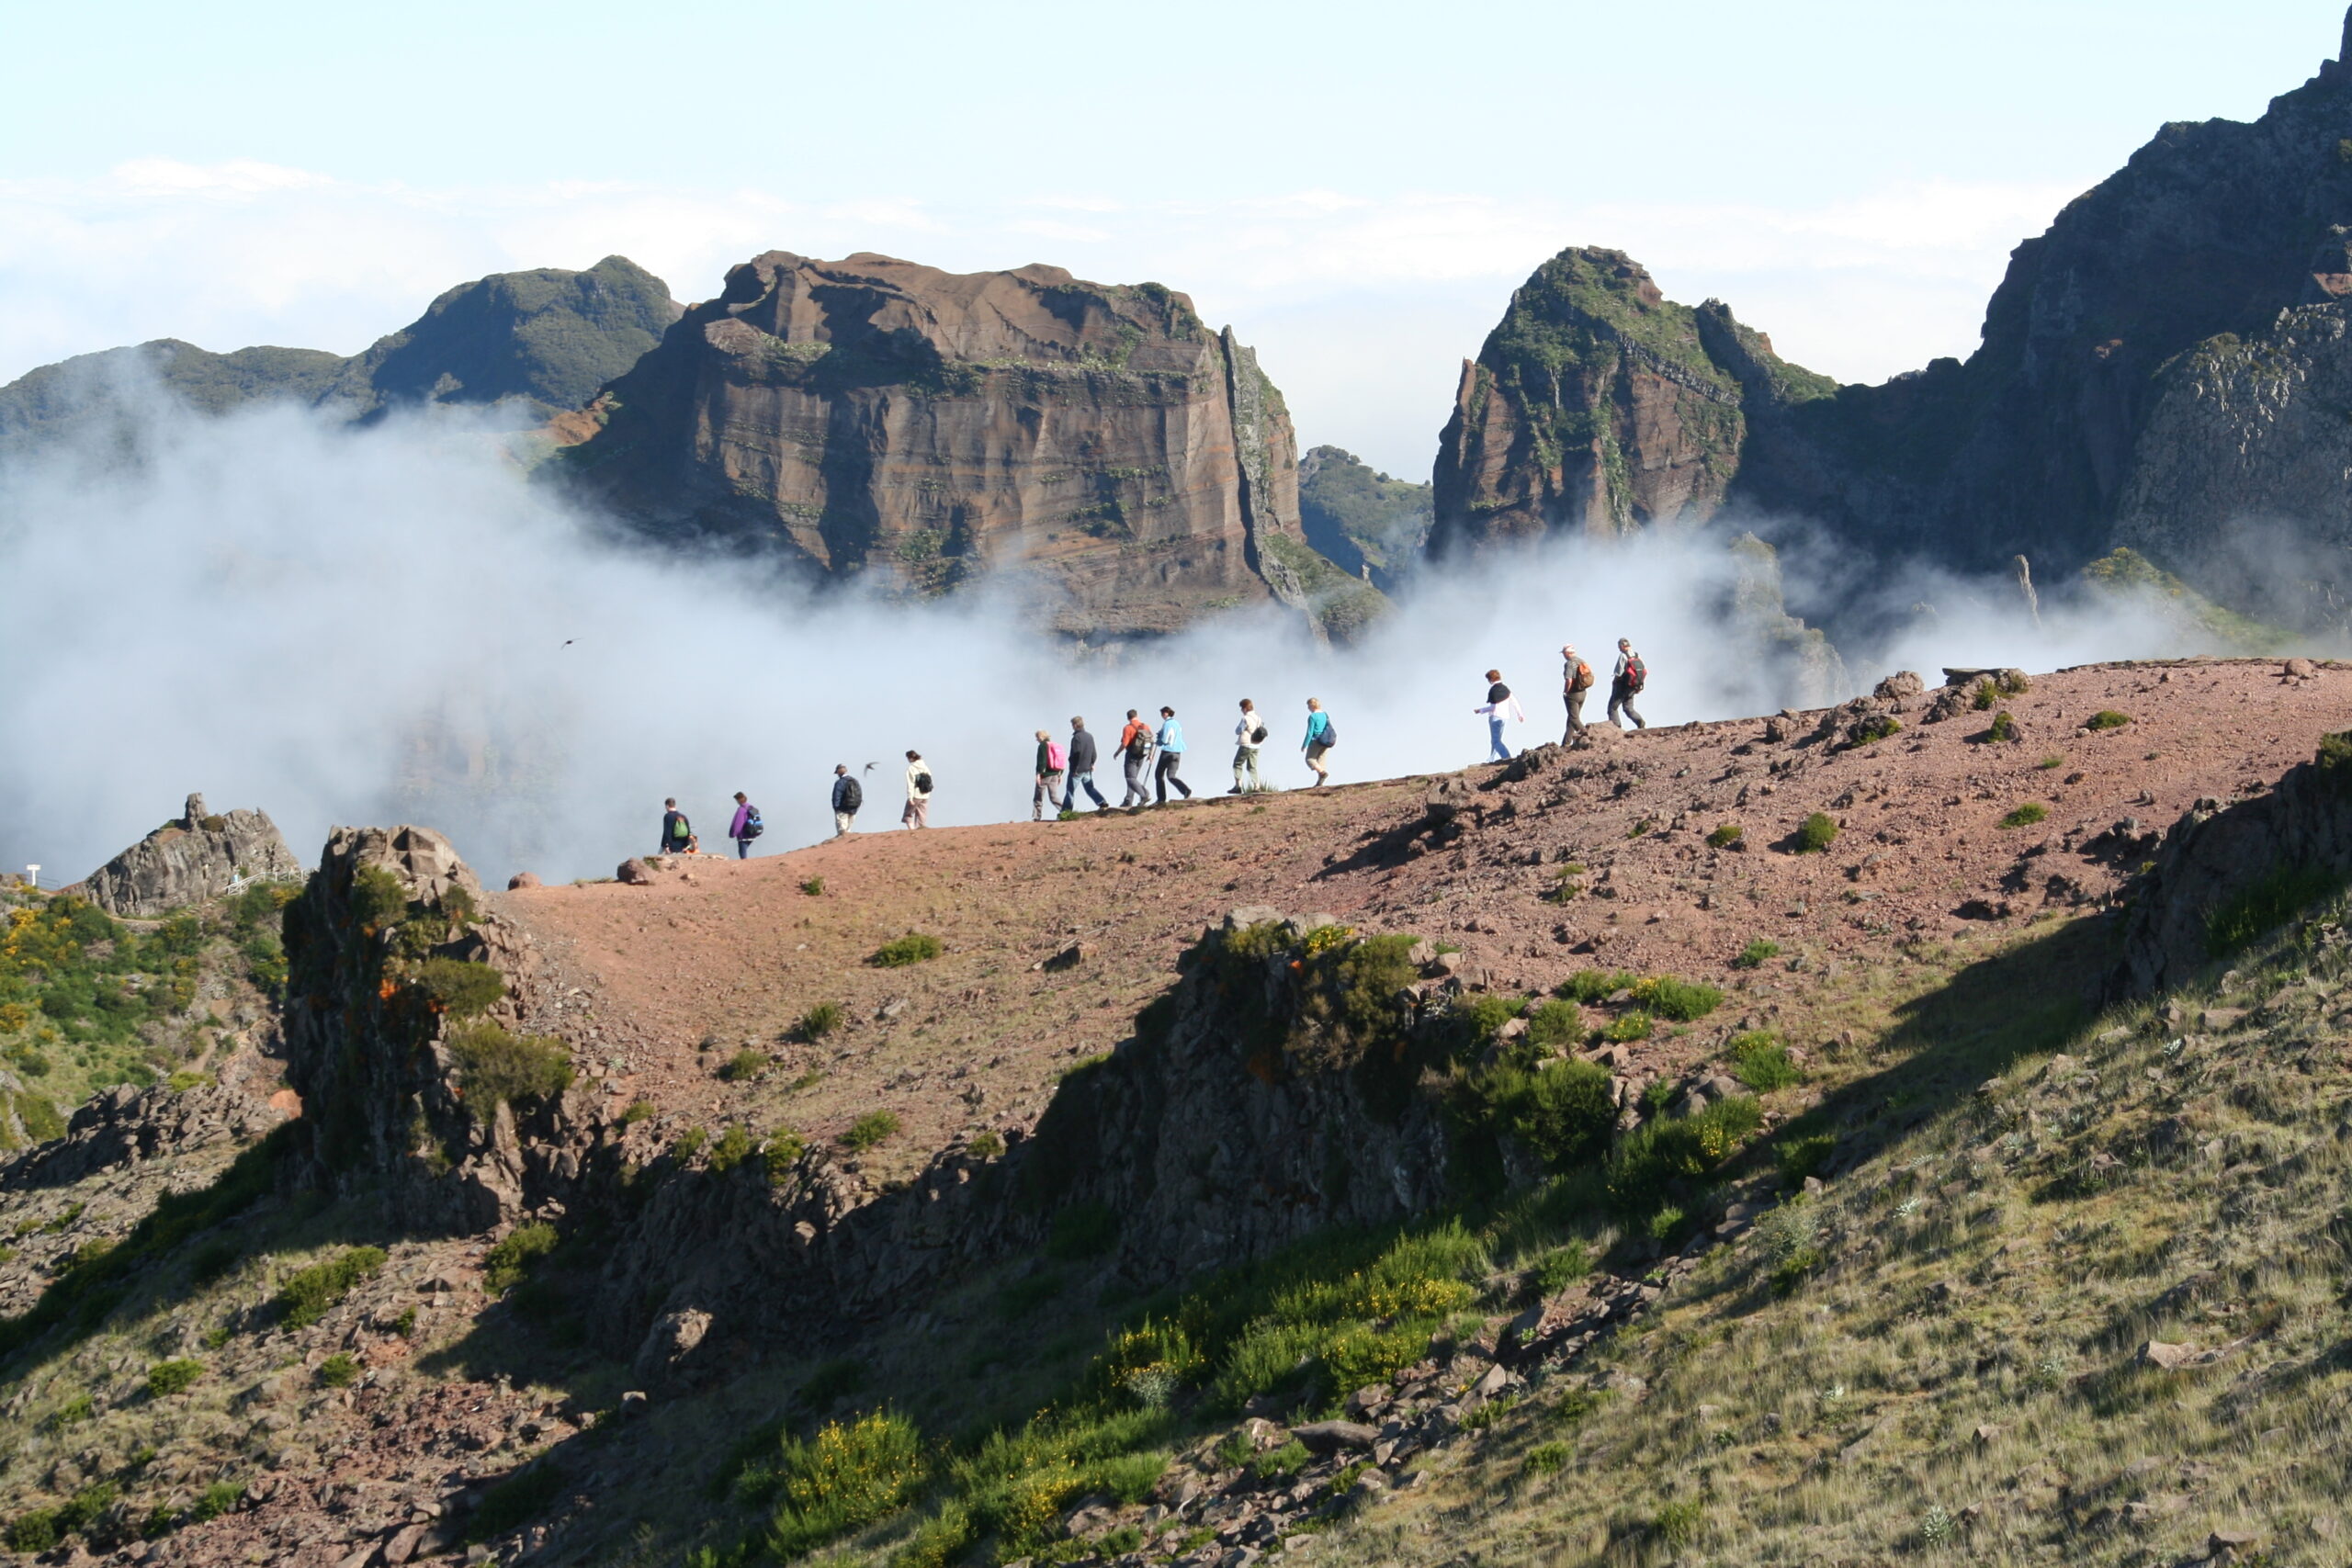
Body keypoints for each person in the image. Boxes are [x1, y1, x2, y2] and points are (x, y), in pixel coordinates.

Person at [1475, 669, 1525, 761]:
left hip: (1495, 717)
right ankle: (1491, 758)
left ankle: (1506, 756)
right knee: (1497, 739)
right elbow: (1514, 702)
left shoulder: (1493, 690)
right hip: (1505, 718)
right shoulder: (1506, 689)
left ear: (1491, 679)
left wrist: (1481, 710)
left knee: (1495, 740)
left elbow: (1493, 707)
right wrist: (1520, 714)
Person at [1063, 716, 1110, 812]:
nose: (1072, 727)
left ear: (1075, 725)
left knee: (1070, 791)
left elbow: (1076, 754)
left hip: (1077, 770)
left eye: (1072, 725)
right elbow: (1094, 753)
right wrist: (1092, 763)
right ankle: (1102, 802)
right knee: (1090, 788)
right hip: (1087, 768)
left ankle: (1066, 811)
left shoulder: (1076, 738)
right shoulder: (1089, 736)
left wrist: (1074, 769)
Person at [1153, 706, 1193, 803]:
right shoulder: (1177, 724)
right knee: (1171, 776)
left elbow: (1165, 740)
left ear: (1166, 713)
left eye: (1162, 713)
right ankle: (1185, 790)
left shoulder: (1167, 723)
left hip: (1167, 751)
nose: (1162, 715)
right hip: (1177, 752)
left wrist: (1158, 741)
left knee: (1158, 775)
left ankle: (1161, 799)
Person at [1116, 708, 1155, 807]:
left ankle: (1144, 794)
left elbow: (1125, 744)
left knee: (1130, 778)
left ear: (1128, 717)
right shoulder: (1145, 726)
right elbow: (1150, 740)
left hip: (1132, 756)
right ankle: (1128, 800)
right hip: (1142, 756)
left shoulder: (1127, 728)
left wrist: (1117, 753)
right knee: (1133, 779)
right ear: (1137, 716)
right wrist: (1150, 755)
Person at [1610, 637, 1648, 730]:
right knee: (1628, 708)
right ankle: (1640, 721)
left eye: (1619, 647)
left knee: (1612, 708)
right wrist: (1638, 686)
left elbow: (1618, 673)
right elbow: (1643, 671)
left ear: (1622, 646)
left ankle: (1616, 729)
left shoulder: (1623, 656)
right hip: (1633, 686)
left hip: (1622, 686)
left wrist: (1614, 682)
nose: (1619, 649)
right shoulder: (1637, 655)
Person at [1231, 698, 1268, 793]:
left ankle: (1238, 786)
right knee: (1252, 767)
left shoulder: (1245, 718)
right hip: (1256, 744)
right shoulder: (1258, 718)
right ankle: (1257, 786)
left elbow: (1238, 731)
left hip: (1246, 744)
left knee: (1237, 764)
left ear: (1245, 708)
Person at [1560, 643, 1595, 745]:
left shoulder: (1569, 663)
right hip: (1583, 692)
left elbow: (1569, 680)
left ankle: (1584, 733)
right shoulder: (1581, 661)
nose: (1563, 655)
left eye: (1564, 653)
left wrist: (1565, 691)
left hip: (1573, 694)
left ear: (1567, 653)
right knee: (1573, 717)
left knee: (1573, 718)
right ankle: (1566, 742)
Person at [1033, 729, 1067, 822]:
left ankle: (1037, 817)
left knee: (1038, 798)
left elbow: (1042, 760)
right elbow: (1061, 760)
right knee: (1054, 797)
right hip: (1055, 774)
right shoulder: (1055, 745)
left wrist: (1039, 774)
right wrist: (1060, 774)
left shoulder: (1043, 746)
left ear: (1041, 736)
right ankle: (1066, 812)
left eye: (1037, 737)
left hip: (1045, 775)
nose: (1036, 740)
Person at [1301, 698, 1334, 785]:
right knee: (1321, 760)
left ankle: (1323, 774)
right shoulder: (1325, 714)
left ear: (1312, 705)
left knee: (1310, 759)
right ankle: (1320, 782)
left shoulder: (1312, 717)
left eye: (1308, 706)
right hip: (1326, 740)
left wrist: (1305, 745)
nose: (1308, 708)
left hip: (1316, 740)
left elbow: (1310, 732)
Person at [902, 750, 934, 829]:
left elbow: (911, 784)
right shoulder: (925, 767)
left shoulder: (911, 768)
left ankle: (912, 832)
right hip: (926, 795)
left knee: (908, 815)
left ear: (910, 758)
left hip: (916, 795)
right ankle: (921, 833)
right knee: (922, 816)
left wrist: (910, 798)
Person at [727, 791, 763, 859]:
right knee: (745, 850)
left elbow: (737, 824)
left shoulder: (741, 810)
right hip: (752, 834)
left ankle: (745, 866)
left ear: (738, 800)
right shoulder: (752, 808)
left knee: (742, 854)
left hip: (743, 836)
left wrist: (732, 834)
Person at [830, 765, 862, 837]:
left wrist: (836, 808)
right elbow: (859, 794)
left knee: (842, 832)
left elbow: (836, 796)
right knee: (848, 831)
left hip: (842, 809)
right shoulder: (854, 780)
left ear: (838, 772)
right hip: (854, 808)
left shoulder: (840, 782)